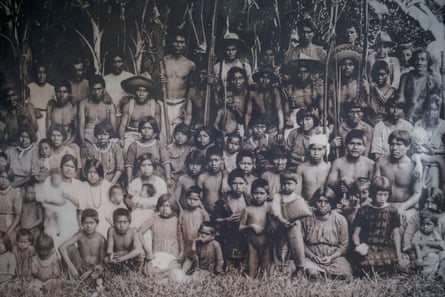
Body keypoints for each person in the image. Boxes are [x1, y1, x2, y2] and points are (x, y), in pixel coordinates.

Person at [352, 176, 403, 275]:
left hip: (385, 247)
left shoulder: (393, 211)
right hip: (368, 247)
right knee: (363, 262)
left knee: (395, 263)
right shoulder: (364, 210)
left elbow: (396, 234)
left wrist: (398, 253)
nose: (382, 198)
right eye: (379, 194)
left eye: (385, 194)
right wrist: (359, 246)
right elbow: (355, 234)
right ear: (373, 193)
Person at [301, 186, 352, 278]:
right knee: (309, 269)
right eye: (319, 201)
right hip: (311, 257)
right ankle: (316, 273)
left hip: (333, 257)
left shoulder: (340, 220)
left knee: (345, 271)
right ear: (315, 202)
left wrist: (331, 257)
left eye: (326, 202)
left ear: (331, 203)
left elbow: (343, 245)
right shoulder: (306, 219)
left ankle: (323, 273)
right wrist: (312, 256)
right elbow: (301, 243)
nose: (322, 205)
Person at [374, 130, 421, 218]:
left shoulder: (413, 166)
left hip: (405, 207)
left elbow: (417, 193)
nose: (394, 148)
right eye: (392, 144)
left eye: (399, 144)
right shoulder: (381, 162)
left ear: (408, 146)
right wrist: (383, 205)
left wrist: (403, 207)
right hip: (382, 205)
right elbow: (374, 187)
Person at [271, 170, 311, 276]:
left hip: (294, 227)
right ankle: (280, 268)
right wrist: (282, 220)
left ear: (296, 184)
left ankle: (300, 268)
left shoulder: (298, 198)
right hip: (280, 225)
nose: (286, 186)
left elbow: (303, 212)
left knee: (297, 246)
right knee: (281, 246)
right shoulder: (278, 196)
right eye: (284, 184)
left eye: (289, 184)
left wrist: (295, 221)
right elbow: (276, 211)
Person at [160, 31, 196, 138]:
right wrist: (159, 80)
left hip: (180, 104)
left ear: (185, 44)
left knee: (178, 135)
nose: (178, 45)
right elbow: (153, 84)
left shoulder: (190, 64)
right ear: (171, 43)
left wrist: (187, 107)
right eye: (176, 42)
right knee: (163, 135)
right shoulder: (163, 61)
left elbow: (192, 88)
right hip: (164, 102)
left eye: (181, 42)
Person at [138, 194, 182, 275]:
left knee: (175, 270)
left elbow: (181, 239)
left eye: (168, 206)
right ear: (158, 206)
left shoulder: (177, 221)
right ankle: (161, 274)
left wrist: (180, 254)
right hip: (156, 256)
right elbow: (139, 232)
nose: (165, 209)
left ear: (173, 207)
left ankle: (163, 274)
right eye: (162, 205)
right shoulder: (154, 219)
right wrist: (147, 251)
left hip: (171, 256)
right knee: (149, 271)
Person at [213, 169, 249, 269]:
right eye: (234, 183)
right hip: (227, 237)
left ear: (246, 184)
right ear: (229, 184)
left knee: (243, 266)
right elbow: (214, 220)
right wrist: (227, 220)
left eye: (241, 183)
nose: (238, 187)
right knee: (229, 266)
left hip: (244, 237)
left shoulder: (249, 200)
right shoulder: (223, 201)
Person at [70, 159, 114, 237]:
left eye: (95, 172)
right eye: (90, 172)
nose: (92, 175)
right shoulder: (83, 186)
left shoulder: (108, 186)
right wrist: (81, 227)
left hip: (107, 224)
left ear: (100, 173)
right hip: (89, 226)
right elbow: (80, 211)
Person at [59, 208, 106, 281]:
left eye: (91, 223)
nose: (89, 226)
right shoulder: (80, 235)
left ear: (97, 223)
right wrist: (72, 268)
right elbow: (61, 247)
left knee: (102, 269)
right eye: (86, 223)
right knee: (70, 248)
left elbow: (103, 262)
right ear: (82, 223)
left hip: (95, 270)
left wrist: (94, 271)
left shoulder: (101, 239)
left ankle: (90, 281)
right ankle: (67, 278)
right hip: (80, 268)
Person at [239, 178, 273, 278]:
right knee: (251, 269)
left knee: (266, 270)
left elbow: (273, 224)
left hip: (266, 241)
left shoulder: (269, 208)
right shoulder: (248, 209)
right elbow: (240, 227)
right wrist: (251, 226)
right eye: (255, 193)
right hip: (252, 242)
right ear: (251, 194)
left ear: (267, 195)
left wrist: (269, 228)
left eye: (261, 193)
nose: (258, 196)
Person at [398, 48, 441, 123]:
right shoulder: (405, 77)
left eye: (423, 59)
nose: (419, 62)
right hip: (406, 115)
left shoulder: (432, 81)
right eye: (416, 59)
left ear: (428, 62)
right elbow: (401, 98)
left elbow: (434, 104)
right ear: (413, 61)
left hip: (425, 117)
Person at [119, 75, 162, 151]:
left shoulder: (155, 106)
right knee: (126, 150)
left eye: (144, 91)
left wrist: (150, 139)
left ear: (148, 92)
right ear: (135, 92)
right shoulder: (129, 105)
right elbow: (122, 125)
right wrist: (122, 139)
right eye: (139, 90)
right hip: (131, 135)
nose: (141, 93)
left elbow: (157, 128)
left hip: (149, 136)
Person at [327, 129, 374, 198]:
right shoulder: (338, 163)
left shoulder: (370, 164)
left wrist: (362, 186)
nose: (355, 147)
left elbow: (374, 187)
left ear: (364, 147)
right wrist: (340, 181)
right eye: (352, 143)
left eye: (359, 144)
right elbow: (329, 184)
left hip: (363, 201)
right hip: (341, 200)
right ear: (346, 145)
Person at [125, 116, 171, 184]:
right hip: (140, 176)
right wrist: (129, 181)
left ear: (154, 130)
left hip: (157, 175)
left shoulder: (159, 144)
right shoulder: (134, 146)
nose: (146, 131)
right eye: (144, 128)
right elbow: (129, 165)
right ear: (140, 129)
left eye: (149, 128)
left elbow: (166, 162)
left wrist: (168, 178)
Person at [78, 75, 116, 147]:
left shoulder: (109, 105)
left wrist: (113, 141)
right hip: (88, 136)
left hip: (104, 136)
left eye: (99, 89)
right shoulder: (84, 104)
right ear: (90, 90)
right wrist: (82, 142)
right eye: (94, 89)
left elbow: (113, 126)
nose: (96, 92)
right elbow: (81, 125)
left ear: (104, 89)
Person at [245, 68, 284, 138]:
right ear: (258, 79)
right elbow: (248, 113)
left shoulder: (275, 92)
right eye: (262, 77)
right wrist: (246, 130)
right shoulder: (252, 93)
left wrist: (280, 130)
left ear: (271, 80)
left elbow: (279, 110)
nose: (264, 80)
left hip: (272, 125)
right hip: (257, 126)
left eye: (267, 78)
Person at [178, 186, 209, 272]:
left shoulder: (202, 213)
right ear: (186, 198)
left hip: (200, 246)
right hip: (187, 246)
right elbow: (180, 233)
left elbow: (208, 230)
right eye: (189, 199)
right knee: (185, 268)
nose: (192, 201)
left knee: (199, 267)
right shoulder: (183, 213)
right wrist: (181, 250)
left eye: (195, 199)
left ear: (200, 200)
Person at [105, 208, 144, 273]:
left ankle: (136, 275)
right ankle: (115, 273)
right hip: (117, 257)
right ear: (114, 223)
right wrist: (111, 254)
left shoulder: (133, 232)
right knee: (106, 259)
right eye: (118, 222)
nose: (122, 225)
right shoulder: (111, 231)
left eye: (125, 222)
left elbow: (138, 250)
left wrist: (122, 259)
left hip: (129, 257)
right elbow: (109, 249)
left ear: (129, 223)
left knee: (141, 256)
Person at [214, 67, 249, 137]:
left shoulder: (249, 95)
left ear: (245, 79)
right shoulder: (228, 94)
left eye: (240, 78)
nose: (237, 81)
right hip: (227, 132)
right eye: (234, 79)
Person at [411, 209, 445, 277]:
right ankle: (427, 274)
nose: (425, 227)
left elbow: (441, 244)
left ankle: (441, 272)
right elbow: (415, 244)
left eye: (428, 224)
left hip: (434, 254)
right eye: (423, 224)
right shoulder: (419, 233)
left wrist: (427, 243)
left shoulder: (435, 233)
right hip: (423, 255)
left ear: (434, 226)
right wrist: (419, 259)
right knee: (432, 257)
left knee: (443, 254)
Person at [296, 134, 330, 201]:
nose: (316, 153)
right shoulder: (301, 168)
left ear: (325, 150)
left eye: (319, 149)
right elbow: (297, 192)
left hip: (324, 205)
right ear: (309, 150)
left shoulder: (328, 168)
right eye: (313, 149)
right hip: (306, 205)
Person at [26, 63, 55, 140]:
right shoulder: (30, 87)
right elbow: (26, 105)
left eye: (44, 73)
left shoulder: (52, 88)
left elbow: (54, 107)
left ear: (47, 74)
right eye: (39, 73)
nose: (41, 75)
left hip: (47, 120)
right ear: (36, 74)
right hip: (33, 119)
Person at [197, 146, 229, 214]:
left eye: (216, 160)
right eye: (210, 160)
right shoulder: (202, 177)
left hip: (225, 215)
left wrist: (225, 180)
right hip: (207, 214)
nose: (213, 164)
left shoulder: (226, 176)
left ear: (222, 160)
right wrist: (205, 213)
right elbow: (197, 198)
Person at [46, 80, 78, 147]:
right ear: (55, 93)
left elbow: (75, 132)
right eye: (59, 92)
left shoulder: (73, 108)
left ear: (69, 93)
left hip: (69, 142)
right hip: (54, 141)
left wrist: (66, 144)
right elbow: (48, 129)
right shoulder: (51, 106)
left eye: (64, 92)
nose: (61, 95)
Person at [0, 168, 21, 242]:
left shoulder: (15, 192)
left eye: (7, 178)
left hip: (10, 226)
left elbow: (18, 215)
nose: (4, 180)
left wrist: (9, 230)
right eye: (2, 177)